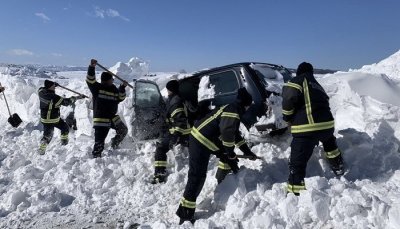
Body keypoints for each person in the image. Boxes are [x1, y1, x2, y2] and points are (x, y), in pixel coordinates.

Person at [176, 87, 258, 224]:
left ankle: (224, 184)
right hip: (200, 139)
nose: (249, 108)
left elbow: (235, 134)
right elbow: (227, 132)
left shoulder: (232, 107)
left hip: (209, 139)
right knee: (197, 176)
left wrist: (247, 152)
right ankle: (185, 214)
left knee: (228, 159)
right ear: (246, 104)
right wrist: (230, 151)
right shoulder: (233, 110)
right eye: (249, 105)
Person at [281, 62, 344, 196]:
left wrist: (287, 117)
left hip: (307, 128)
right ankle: (338, 167)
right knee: (330, 145)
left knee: (297, 161)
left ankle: (294, 193)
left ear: (299, 71)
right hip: (327, 126)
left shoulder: (297, 80)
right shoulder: (317, 85)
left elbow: (288, 99)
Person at [86, 59, 128, 158]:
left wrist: (122, 87)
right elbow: (90, 79)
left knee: (123, 130)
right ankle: (96, 158)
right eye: (112, 79)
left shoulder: (114, 89)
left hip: (112, 117)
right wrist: (91, 67)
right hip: (101, 120)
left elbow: (121, 98)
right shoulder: (97, 88)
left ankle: (114, 144)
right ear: (107, 80)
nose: (113, 81)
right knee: (99, 143)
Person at [151, 79, 191, 184]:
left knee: (160, 148)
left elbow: (181, 120)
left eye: (168, 89)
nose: (167, 92)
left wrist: (175, 136)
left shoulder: (176, 102)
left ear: (170, 90)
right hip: (183, 132)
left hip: (182, 133)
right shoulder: (176, 99)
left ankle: (159, 174)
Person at [38, 80, 84, 154]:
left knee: (64, 128)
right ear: (49, 87)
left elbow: (41, 88)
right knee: (48, 136)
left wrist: (53, 84)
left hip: (47, 118)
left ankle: (64, 143)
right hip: (51, 119)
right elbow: (66, 102)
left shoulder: (41, 92)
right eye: (53, 87)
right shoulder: (54, 98)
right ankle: (41, 150)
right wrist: (78, 97)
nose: (55, 88)